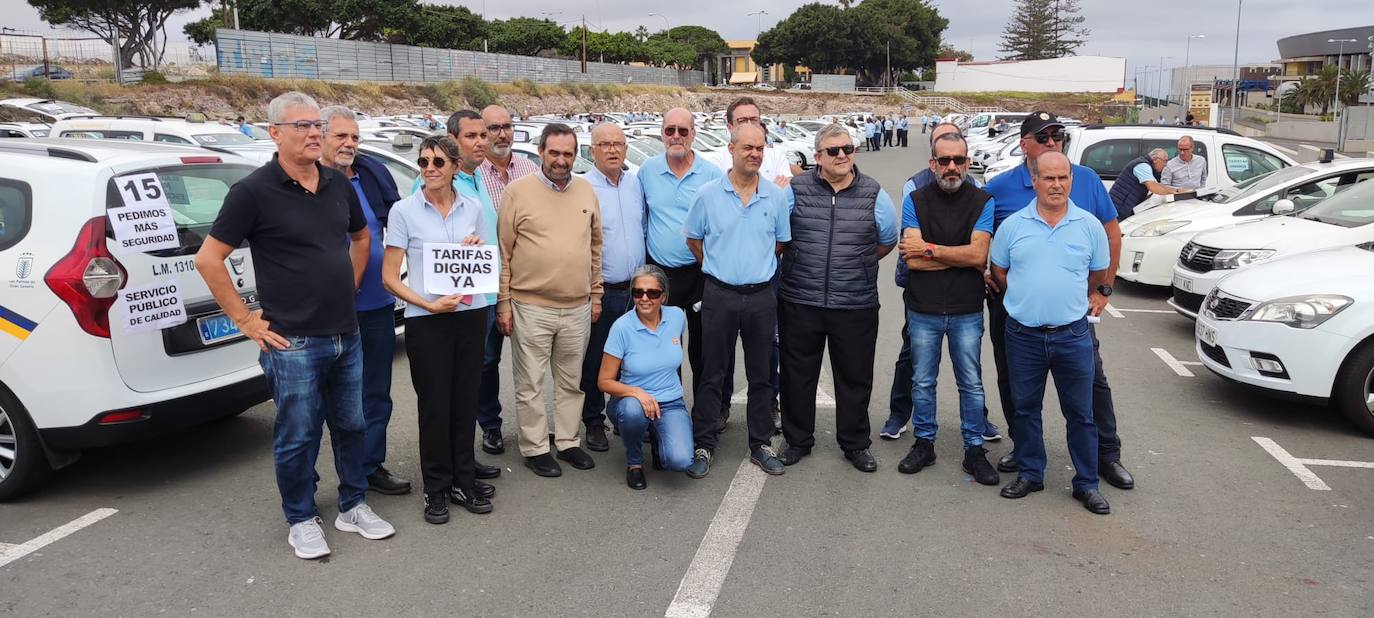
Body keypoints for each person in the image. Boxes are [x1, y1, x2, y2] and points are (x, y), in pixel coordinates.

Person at [195, 91, 395, 560]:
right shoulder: (252, 191)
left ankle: (352, 505)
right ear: (274, 133)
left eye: (316, 126)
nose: (313, 134)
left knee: (351, 425)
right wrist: (245, 320)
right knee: (298, 434)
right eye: (302, 126)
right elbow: (209, 259)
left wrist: (347, 284)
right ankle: (301, 517)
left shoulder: (336, 183)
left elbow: (361, 237)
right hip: (292, 341)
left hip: (346, 332)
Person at [983, 110, 1134, 492]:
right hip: (1020, 319)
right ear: (1025, 146)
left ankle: (1104, 459)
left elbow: (1110, 239)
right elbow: (996, 261)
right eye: (1043, 136)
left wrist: (1102, 291)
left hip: (1072, 323)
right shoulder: (1001, 189)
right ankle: (1027, 459)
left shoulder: (1084, 183)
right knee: (1019, 393)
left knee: (1089, 394)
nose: (1052, 142)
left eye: (1058, 137)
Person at [989, 151, 1112, 515]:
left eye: (1063, 178)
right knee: (1025, 409)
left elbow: (1097, 275)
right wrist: (1028, 296)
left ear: (1070, 180)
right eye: (1049, 178)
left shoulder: (1089, 226)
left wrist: (1072, 297)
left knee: (1081, 413)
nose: (1056, 185)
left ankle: (1086, 483)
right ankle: (1031, 473)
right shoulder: (1012, 226)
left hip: (1072, 336)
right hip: (1023, 335)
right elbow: (999, 271)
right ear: (1036, 181)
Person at [382, 135, 494, 524]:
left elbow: (479, 257)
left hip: (470, 313)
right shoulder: (403, 211)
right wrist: (426, 303)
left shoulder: (474, 207)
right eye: (423, 161)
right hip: (427, 320)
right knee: (434, 406)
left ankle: (464, 478)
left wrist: (475, 247)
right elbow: (389, 277)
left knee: (465, 401)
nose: (429, 168)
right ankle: (436, 488)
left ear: (455, 167)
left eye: (437, 162)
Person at [776, 124, 897, 473]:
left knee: (855, 377)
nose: (842, 155)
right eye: (833, 151)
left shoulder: (874, 193)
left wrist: (857, 264)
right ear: (817, 158)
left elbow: (886, 239)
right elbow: (780, 235)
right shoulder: (795, 191)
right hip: (800, 298)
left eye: (847, 148)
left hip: (855, 302)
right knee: (798, 375)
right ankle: (797, 440)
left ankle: (856, 443)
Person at [683, 124, 793, 478]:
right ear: (731, 149)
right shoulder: (707, 194)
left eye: (760, 148)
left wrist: (751, 268)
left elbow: (779, 244)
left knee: (762, 374)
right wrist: (722, 268)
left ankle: (760, 444)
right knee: (712, 372)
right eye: (747, 148)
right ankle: (703, 443)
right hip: (719, 294)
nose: (755, 154)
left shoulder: (776, 197)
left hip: (761, 296)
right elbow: (694, 241)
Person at [497, 124, 604, 478]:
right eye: (554, 153)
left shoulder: (587, 191)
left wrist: (596, 293)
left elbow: (595, 247)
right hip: (531, 306)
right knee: (530, 383)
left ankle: (568, 442)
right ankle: (535, 447)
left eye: (568, 154)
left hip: (577, 305)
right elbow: (504, 251)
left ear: (576, 155)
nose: (561, 161)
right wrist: (504, 302)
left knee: (571, 381)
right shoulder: (517, 192)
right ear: (540, 152)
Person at [879, 122, 996, 443]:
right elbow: (911, 260)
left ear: (968, 162)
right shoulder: (914, 198)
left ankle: (974, 446)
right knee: (922, 380)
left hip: (966, 308)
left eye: (958, 160)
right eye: (944, 161)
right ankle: (923, 441)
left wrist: (930, 249)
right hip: (922, 306)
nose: (951, 167)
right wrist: (959, 256)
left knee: (970, 381)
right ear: (933, 164)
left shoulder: (982, 200)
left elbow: (978, 256)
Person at [318, 105, 410, 496]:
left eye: (354, 137)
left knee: (376, 395)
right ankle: (323, 475)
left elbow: (396, 226)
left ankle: (370, 466)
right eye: (340, 136)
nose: (350, 144)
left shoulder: (371, 175)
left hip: (377, 305)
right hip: (327, 313)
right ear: (319, 137)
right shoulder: (310, 182)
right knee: (322, 402)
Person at [638, 108, 724, 409]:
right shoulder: (647, 171)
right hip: (662, 276)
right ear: (662, 134)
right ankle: (668, 408)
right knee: (664, 350)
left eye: (683, 131)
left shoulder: (711, 174)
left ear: (693, 134)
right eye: (670, 130)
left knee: (703, 349)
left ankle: (706, 411)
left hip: (700, 273)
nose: (676, 136)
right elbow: (643, 218)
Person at [475, 105, 539, 457]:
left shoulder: (530, 169)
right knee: (486, 361)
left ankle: (538, 428)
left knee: (532, 361)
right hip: (487, 286)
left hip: (529, 284)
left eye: (507, 126)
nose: (501, 134)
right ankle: (491, 426)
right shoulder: (471, 176)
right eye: (493, 128)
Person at [597, 265, 696, 490]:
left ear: (663, 296)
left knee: (680, 461)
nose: (644, 298)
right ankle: (634, 463)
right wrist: (637, 392)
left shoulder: (677, 317)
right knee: (632, 411)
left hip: (670, 402)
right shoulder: (621, 327)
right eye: (637, 292)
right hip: (631, 402)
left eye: (652, 293)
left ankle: (657, 436)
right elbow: (604, 381)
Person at [581, 122, 647, 449]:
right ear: (592, 151)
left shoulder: (636, 185)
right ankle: (593, 420)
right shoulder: (583, 189)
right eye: (604, 144)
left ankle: (623, 414)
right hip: (602, 291)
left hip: (637, 292)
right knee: (596, 358)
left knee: (630, 359)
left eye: (618, 144)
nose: (612, 150)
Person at [707, 97, 799, 185]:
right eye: (742, 120)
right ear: (730, 127)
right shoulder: (716, 162)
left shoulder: (776, 158)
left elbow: (785, 191)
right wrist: (772, 192)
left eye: (754, 120)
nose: (749, 125)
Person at [1109, 148, 1176, 219]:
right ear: (1155, 159)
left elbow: (1158, 186)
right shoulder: (1142, 166)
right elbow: (1154, 188)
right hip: (1118, 208)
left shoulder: (1148, 167)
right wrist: (1176, 192)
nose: (1165, 165)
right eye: (1165, 161)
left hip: (1122, 208)